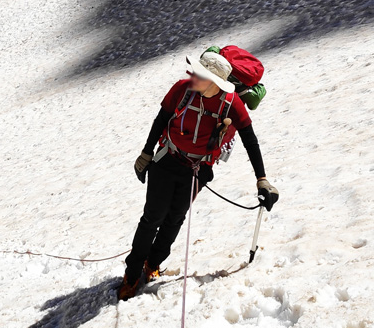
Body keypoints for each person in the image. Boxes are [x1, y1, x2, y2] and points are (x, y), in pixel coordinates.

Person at [119, 50, 279, 300]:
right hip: (166, 160)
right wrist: (146, 152)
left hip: (198, 169)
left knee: (175, 218)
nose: (192, 77)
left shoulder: (231, 103)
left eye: (199, 75)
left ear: (214, 82)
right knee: (153, 217)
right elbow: (161, 119)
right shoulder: (182, 89)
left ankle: (153, 263)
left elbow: (250, 139)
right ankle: (132, 272)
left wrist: (262, 179)